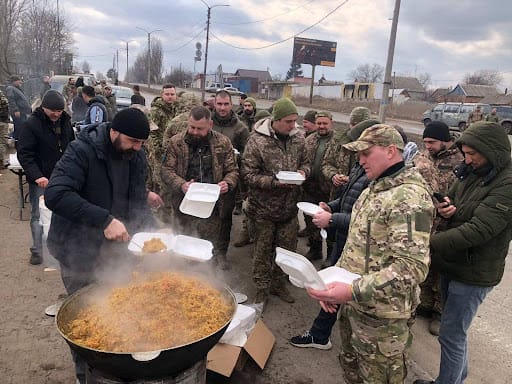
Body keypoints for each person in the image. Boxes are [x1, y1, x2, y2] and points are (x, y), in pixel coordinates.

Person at [308, 124, 434, 384]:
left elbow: (411, 269)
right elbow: (355, 244)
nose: (360, 160)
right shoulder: (373, 188)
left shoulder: (408, 198)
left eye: (366, 153)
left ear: (390, 151)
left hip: (383, 320)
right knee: (352, 371)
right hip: (356, 309)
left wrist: (351, 290)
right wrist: (333, 285)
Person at [44, 108, 161, 383]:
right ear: (115, 131)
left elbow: (136, 203)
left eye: (142, 143)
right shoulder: (81, 150)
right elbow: (55, 194)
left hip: (114, 254)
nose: (138, 147)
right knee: (86, 323)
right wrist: (104, 220)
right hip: (78, 253)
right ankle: (84, 375)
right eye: (134, 141)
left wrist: (156, 234)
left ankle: (118, 370)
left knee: (116, 312)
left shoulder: (136, 155)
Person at [414, 121, 512, 384]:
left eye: (472, 154)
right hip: (454, 264)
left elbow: (479, 230)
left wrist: (427, 242)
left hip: (474, 272)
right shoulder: (473, 171)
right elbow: (457, 199)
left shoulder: (507, 184)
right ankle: (456, 378)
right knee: (453, 333)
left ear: (491, 151)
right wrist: (448, 207)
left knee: (451, 335)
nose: (467, 159)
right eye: (465, 153)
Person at [289, 120, 378, 352]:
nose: (359, 159)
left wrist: (332, 219)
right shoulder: (362, 167)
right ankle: (320, 334)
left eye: (363, 152)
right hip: (344, 238)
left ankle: (340, 340)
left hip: (358, 243)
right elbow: (349, 199)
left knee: (344, 288)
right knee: (332, 284)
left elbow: (367, 222)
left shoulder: (379, 179)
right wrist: (330, 206)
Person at [241, 97, 310, 306]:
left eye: (295, 121)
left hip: (289, 209)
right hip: (263, 210)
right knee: (262, 252)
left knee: (287, 252)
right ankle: (261, 289)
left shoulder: (299, 139)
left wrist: (303, 172)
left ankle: (279, 284)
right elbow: (248, 175)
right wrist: (274, 182)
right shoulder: (257, 141)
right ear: (276, 120)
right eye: (288, 121)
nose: (293, 126)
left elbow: (306, 163)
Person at [160, 106, 239, 268]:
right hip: (184, 207)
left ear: (210, 124)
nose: (194, 132)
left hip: (212, 209)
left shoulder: (223, 143)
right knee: (182, 249)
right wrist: (181, 184)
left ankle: (207, 279)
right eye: (192, 127)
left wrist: (228, 183)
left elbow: (233, 171)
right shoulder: (176, 143)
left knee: (207, 251)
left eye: (199, 128)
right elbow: (166, 170)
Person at [414, 121, 463, 336]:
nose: (428, 146)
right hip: (426, 219)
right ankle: (424, 304)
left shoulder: (460, 160)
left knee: (442, 267)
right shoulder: (423, 157)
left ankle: (438, 311)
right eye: (425, 142)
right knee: (426, 262)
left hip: (448, 221)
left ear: (445, 140)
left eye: (432, 142)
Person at [17, 90, 75, 265]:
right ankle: (37, 250)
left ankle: (62, 249)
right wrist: (37, 176)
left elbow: (72, 148)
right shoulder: (31, 125)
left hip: (63, 177)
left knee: (64, 212)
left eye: (59, 111)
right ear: (43, 108)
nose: (56, 114)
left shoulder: (65, 122)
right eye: (53, 111)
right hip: (41, 180)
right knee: (38, 215)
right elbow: (25, 154)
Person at [211, 90, 250, 249]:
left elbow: (248, 155)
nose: (222, 108)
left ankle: (221, 253)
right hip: (207, 179)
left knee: (225, 218)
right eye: (219, 104)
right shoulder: (207, 122)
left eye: (226, 104)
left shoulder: (240, 128)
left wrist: (236, 156)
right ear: (214, 104)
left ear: (231, 105)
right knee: (205, 216)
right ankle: (204, 251)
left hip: (228, 181)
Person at [301, 111, 334, 260]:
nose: (321, 126)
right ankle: (315, 249)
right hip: (310, 187)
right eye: (319, 123)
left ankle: (331, 255)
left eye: (324, 123)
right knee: (310, 220)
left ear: (331, 123)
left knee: (329, 222)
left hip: (328, 190)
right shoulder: (308, 140)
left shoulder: (337, 142)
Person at [147, 84, 182, 196]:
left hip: (174, 152)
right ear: (162, 95)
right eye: (167, 94)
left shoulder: (177, 110)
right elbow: (152, 133)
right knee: (160, 181)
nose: (170, 97)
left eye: (172, 94)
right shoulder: (156, 111)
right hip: (160, 153)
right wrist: (158, 150)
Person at [5, 75, 31, 140]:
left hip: (22, 112)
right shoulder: (10, 88)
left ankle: (15, 138)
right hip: (18, 112)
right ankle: (18, 139)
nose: (21, 82)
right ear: (14, 81)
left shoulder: (16, 88)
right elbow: (11, 99)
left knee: (20, 126)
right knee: (20, 126)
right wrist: (16, 110)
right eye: (19, 81)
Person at [0, 89, 9, 168]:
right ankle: (2, 161)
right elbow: (5, 103)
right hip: (2, 120)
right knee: (2, 141)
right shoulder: (1, 94)